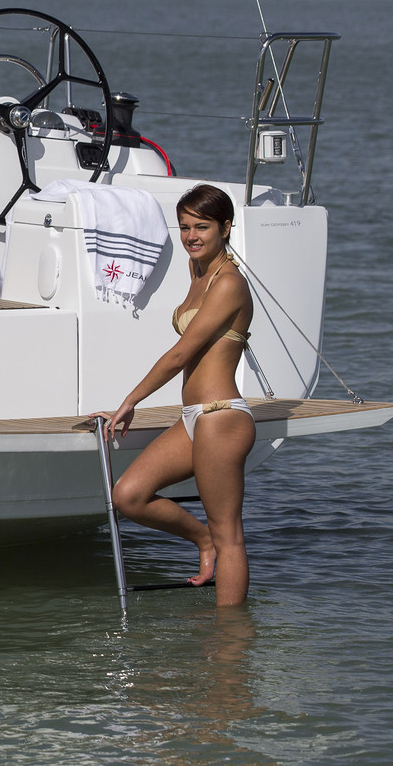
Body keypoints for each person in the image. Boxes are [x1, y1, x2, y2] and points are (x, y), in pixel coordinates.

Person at [92, 184, 257, 606]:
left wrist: (130, 401)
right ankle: (203, 540)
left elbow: (182, 353)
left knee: (230, 534)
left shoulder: (229, 284)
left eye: (202, 227)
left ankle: (229, 650)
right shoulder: (197, 270)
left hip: (221, 416)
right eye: (184, 227)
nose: (191, 236)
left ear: (226, 227)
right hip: (192, 418)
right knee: (128, 495)